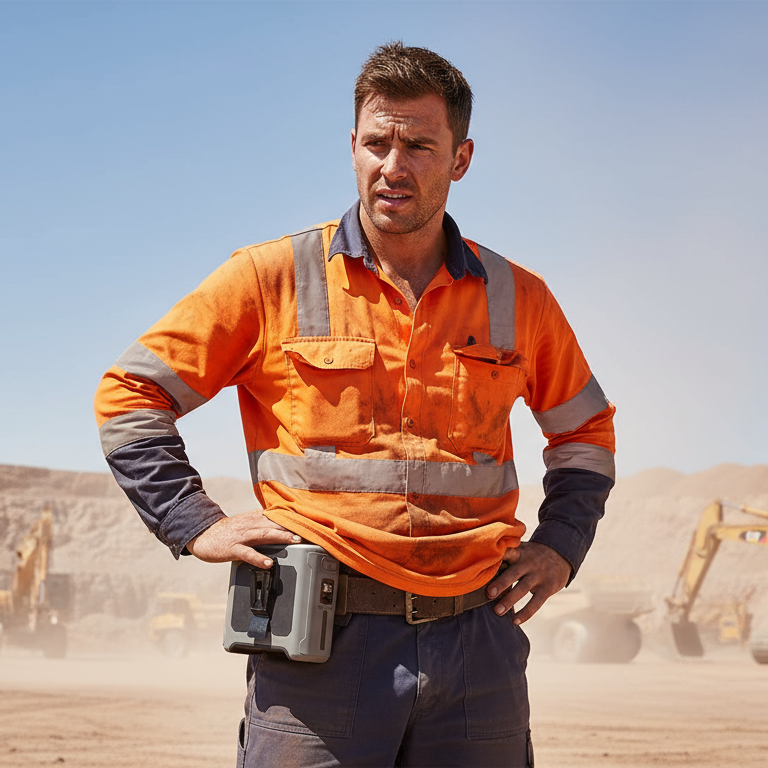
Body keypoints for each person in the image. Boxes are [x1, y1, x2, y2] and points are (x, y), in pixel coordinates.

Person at [94, 42, 615, 768]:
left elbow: (585, 430)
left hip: (478, 647)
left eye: (418, 146)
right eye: (377, 143)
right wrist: (191, 522)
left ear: (460, 158)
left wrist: (562, 544)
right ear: (353, 146)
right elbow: (130, 393)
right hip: (319, 647)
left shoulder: (519, 298)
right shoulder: (271, 277)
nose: (392, 165)